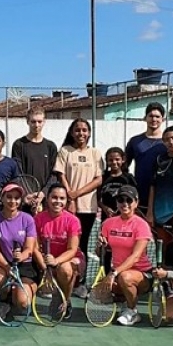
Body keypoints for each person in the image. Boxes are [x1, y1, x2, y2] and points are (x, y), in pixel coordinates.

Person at [52, 117, 102, 294]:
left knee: (83, 245)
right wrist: (70, 198)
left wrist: (77, 194)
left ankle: (80, 283)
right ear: (72, 133)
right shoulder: (65, 151)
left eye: (84, 130)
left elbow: (98, 180)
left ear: (89, 133)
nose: (81, 133)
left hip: (88, 208)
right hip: (68, 208)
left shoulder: (95, 153)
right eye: (77, 130)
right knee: (68, 246)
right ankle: (64, 279)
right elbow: (61, 176)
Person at [98, 185, 153, 326]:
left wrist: (113, 273)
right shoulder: (108, 223)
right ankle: (124, 300)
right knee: (101, 293)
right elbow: (100, 252)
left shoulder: (141, 225)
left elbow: (135, 256)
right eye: (121, 200)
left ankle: (132, 311)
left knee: (125, 277)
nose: (125, 204)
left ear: (136, 202)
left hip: (142, 275)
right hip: (118, 273)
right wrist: (101, 247)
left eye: (129, 200)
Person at [0, 183, 38, 314]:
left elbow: (29, 249)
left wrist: (21, 256)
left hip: (25, 265)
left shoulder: (28, 219)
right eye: (9, 197)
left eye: (16, 198)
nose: (12, 201)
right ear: (2, 198)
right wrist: (8, 268)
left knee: (23, 303)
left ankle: (23, 293)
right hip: (3, 264)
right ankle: (4, 300)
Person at [34, 183, 84, 317]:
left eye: (62, 198)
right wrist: (45, 268)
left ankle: (65, 301)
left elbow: (72, 250)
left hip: (70, 259)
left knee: (65, 269)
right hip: (47, 261)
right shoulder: (38, 219)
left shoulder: (73, 220)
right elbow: (35, 247)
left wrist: (55, 261)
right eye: (54, 197)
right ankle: (59, 295)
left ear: (66, 201)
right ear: (48, 199)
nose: (58, 201)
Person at [11, 106, 59, 211]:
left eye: (39, 122)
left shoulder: (51, 146)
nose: (36, 125)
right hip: (26, 202)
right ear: (27, 122)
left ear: (44, 122)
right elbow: (18, 173)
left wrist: (43, 193)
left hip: (46, 202)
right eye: (33, 122)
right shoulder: (19, 145)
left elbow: (54, 175)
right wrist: (27, 195)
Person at [125, 102, 167, 210]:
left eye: (157, 116)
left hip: (163, 194)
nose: (154, 119)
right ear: (145, 118)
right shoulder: (135, 141)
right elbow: (124, 166)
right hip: (140, 192)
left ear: (163, 119)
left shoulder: (168, 142)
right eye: (151, 116)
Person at [98, 147, 136, 218]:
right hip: (107, 216)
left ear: (123, 160)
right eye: (110, 160)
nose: (114, 162)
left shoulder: (129, 178)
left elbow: (135, 198)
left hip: (125, 216)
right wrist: (105, 208)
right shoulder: (103, 178)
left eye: (117, 159)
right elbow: (97, 199)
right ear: (106, 161)